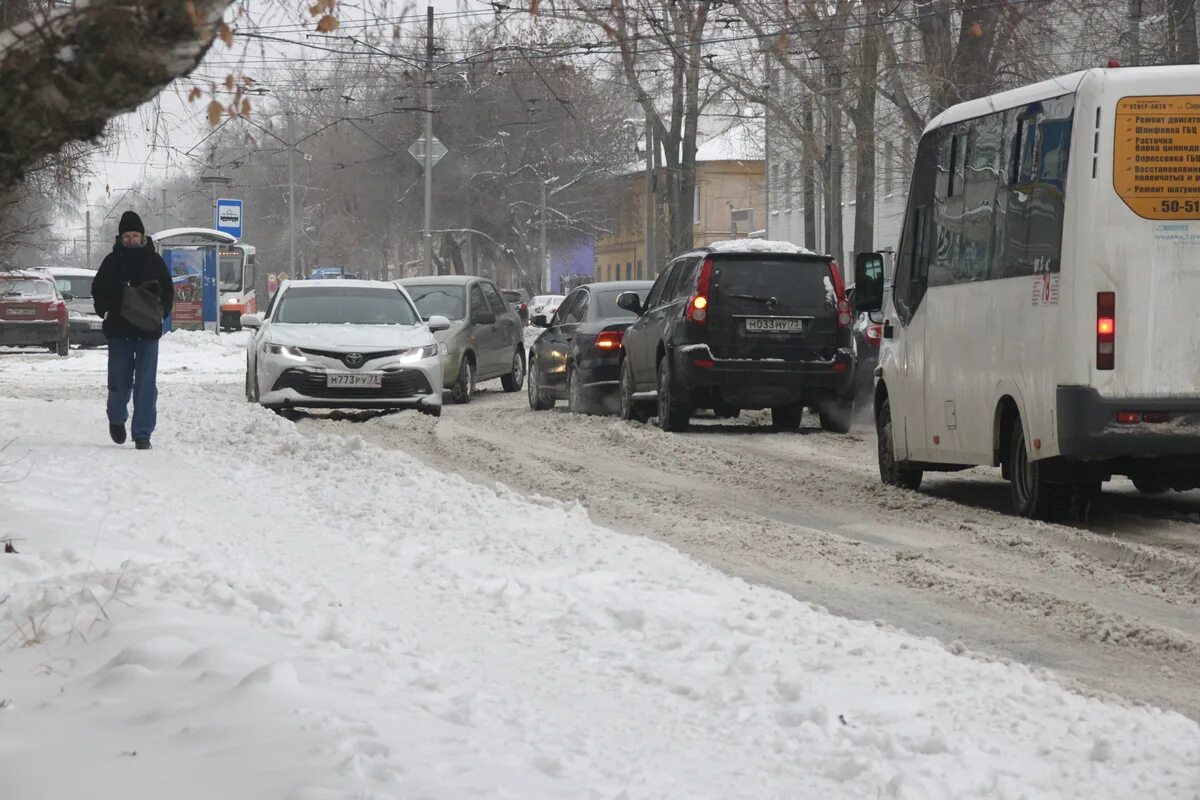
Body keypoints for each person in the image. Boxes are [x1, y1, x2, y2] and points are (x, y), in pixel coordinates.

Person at [91, 211, 174, 450]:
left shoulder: (154, 262)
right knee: (119, 383)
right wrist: (104, 311)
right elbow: (98, 289)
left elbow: (168, 292)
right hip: (119, 332)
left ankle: (142, 433)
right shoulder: (111, 261)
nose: (131, 239)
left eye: (135, 235)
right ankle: (116, 418)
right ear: (121, 237)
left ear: (142, 235)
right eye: (126, 235)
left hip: (148, 332)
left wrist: (161, 313)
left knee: (146, 385)